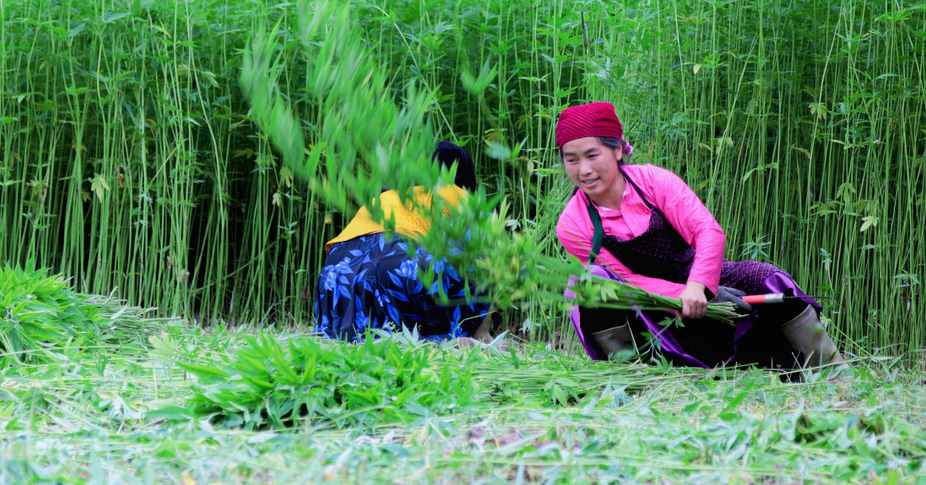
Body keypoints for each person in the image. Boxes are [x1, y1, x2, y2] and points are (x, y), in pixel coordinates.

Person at [554, 102, 846, 372]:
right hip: (647, 310)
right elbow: (626, 281)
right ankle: (632, 374)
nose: (584, 170)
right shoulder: (572, 224)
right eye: (572, 160)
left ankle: (831, 370)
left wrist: (699, 286)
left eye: (592, 155)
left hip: (702, 279)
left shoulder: (654, 181)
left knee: (765, 277)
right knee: (590, 282)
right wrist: (680, 295)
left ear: (618, 150)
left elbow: (707, 231)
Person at [314, 142, 491, 342]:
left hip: (335, 277)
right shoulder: (461, 197)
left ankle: (351, 332)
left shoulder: (387, 196)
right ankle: (469, 334)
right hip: (399, 269)